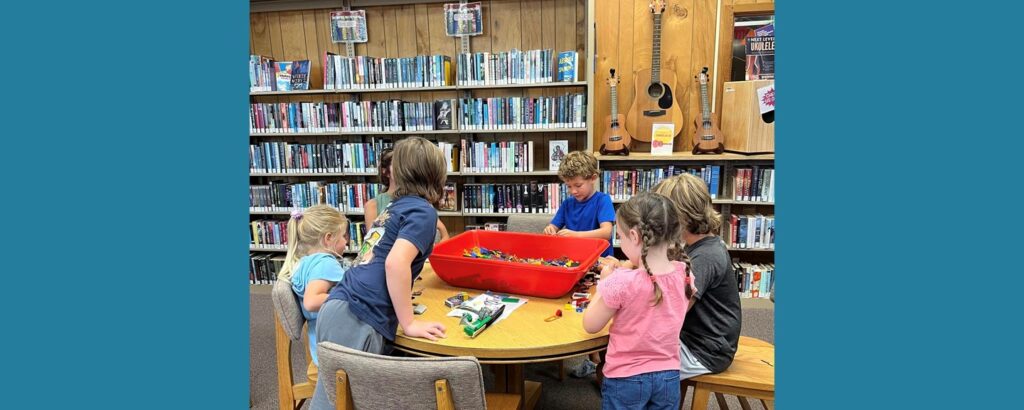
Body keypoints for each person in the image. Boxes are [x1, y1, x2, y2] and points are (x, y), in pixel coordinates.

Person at [310, 137, 449, 410]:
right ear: (436, 174)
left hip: (340, 306)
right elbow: (395, 264)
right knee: (343, 403)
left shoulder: (393, 207)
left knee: (337, 399)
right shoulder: (423, 212)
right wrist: (408, 323)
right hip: (359, 316)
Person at [583, 192, 695, 410]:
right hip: (669, 376)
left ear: (634, 236)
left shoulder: (621, 282)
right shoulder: (685, 273)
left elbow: (590, 325)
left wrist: (603, 285)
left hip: (626, 378)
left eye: (622, 237)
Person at [653, 173, 741, 379]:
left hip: (704, 351)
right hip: (695, 339)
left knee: (631, 362)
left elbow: (672, 313)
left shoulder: (704, 257)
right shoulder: (696, 244)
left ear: (680, 217)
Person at [542, 150, 615, 377]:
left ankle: (600, 361)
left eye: (578, 185)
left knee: (596, 313)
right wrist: (551, 229)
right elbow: (555, 225)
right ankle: (584, 356)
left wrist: (574, 235)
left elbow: (606, 232)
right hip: (571, 266)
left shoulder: (602, 200)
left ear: (593, 177)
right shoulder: (567, 203)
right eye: (568, 186)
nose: (573, 191)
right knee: (569, 307)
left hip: (598, 267)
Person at [275, 205, 350, 366]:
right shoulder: (325, 264)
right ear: (328, 238)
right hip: (339, 350)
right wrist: (350, 296)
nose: (346, 241)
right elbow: (311, 301)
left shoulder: (302, 262)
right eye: (343, 236)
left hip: (320, 347)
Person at [365, 147, 450, 244]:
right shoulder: (372, 205)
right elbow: (372, 245)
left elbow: (444, 235)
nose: (403, 170)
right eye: (398, 166)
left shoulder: (420, 200)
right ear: (386, 172)